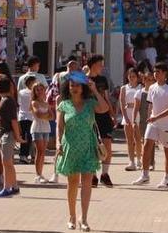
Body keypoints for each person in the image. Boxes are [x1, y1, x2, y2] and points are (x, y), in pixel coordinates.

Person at [55, 71, 107, 232]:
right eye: (72, 85)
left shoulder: (90, 102)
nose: (75, 88)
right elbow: (60, 126)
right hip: (70, 147)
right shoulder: (63, 104)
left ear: (83, 87)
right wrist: (58, 143)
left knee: (86, 183)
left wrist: (95, 90)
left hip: (88, 147)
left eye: (78, 85)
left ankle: (83, 218)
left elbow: (104, 108)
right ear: (68, 87)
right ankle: (71, 215)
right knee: (72, 183)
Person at [133, 61, 168, 189]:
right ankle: (145, 175)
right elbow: (150, 104)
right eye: (154, 71)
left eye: (158, 72)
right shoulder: (152, 88)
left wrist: (157, 116)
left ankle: (167, 179)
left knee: (167, 151)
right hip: (153, 124)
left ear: (165, 73)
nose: (155, 74)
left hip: (167, 125)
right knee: (146, 146)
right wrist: (149, 117)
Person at [0, 77, 21, 197]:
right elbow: (5, 120)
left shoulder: (7, 101)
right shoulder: (5, 100)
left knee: (6, 162)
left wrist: (17, 136)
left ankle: (7, 187)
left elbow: (13, 121)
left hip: (7, 134)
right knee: (8, 162)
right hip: (4, 133)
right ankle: (14, 186)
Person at [86, 55, 114, 187]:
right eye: (100, 64)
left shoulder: (103, 80)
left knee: (107, 144)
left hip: (104, 115)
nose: (102, 67)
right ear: (93, 65)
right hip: (90, 116)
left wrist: (112, 114)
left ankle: (105, 174)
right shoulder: (83, 80)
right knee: (92, 145)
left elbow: (106, 97)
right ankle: (93, 175)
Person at [28, 82, 54, 183]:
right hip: (37, 128)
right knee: (39, 151)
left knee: (43, 152)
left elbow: (52, 116)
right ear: (34, 91)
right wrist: (46, 115)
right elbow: (38, 115)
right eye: (37, 90)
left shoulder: (46, 103)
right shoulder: (34, 102)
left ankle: (41, 173)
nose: (39, 92)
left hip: (46, 128)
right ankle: (37, 175)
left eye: (41, 89)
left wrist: (46, 115)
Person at [119, 68, 143, 172]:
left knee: (137, 139)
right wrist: (125, 116)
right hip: (127, 115)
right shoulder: (124, 88)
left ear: (137, 77)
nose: (131, 78)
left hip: (137, 114)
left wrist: (133, 105)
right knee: (129, 140)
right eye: (130, 76)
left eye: (133, 76)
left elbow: (142, 102)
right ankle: (131, 161)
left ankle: (138, 159)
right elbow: (122, 102)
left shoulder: (141, 88)